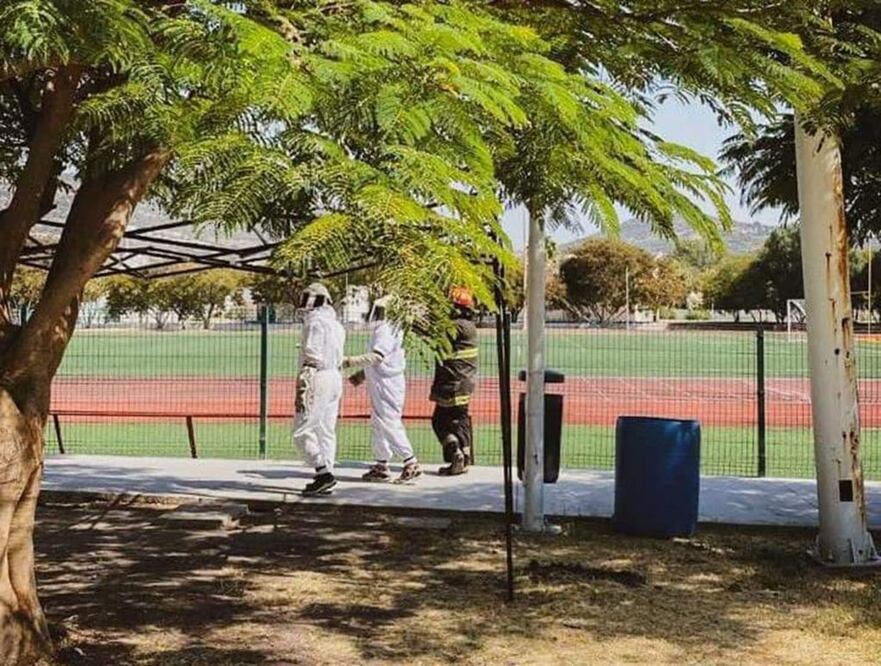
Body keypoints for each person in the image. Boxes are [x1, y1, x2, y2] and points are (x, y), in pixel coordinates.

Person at [344, 296, 422, 484]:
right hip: (382, 381)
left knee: (388, 421)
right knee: (378, 422)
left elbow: (378, 356)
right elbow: (384, 359)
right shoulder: (389, 328)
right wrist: (362, 375)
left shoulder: (386, 329)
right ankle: (381, 464)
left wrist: (349, 361)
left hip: (386, 383)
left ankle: (410, 461)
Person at [293, 282, 346, 496]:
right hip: (335, 376)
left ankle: (323, 473)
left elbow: (312, 355)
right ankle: (327, 472)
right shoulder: (337, 325)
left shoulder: (314, 323)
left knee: (301, 430)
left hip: (318, 377)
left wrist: (302, 386)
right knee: (326, 429)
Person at [430, 286, 478, 476]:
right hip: (465, 383)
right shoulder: (470, 327)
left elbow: (434, 335)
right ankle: (464, 459)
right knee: (461, 420)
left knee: (440, 421)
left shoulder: (455, 326)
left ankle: (454, 452)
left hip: (451, 383)